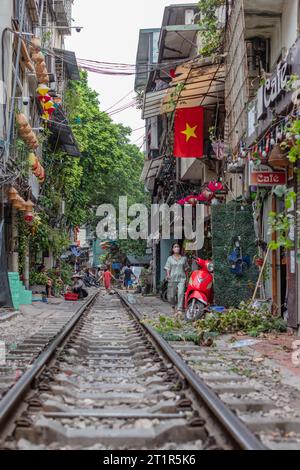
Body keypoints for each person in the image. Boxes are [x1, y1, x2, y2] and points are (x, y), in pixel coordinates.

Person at [164, 243, 188, 316]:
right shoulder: (170, 258)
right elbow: (167, 268)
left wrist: (187, 278)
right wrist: (168, 275)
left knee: (180, 293)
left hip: (182, 278)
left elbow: (186, 268)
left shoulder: (184, 258)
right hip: (172, 278)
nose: (177, 248)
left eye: (178, 246)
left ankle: (179, 309)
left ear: (179, 248)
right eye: (175, 247)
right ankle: (173, 305)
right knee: (171, 295)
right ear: (172, 249)